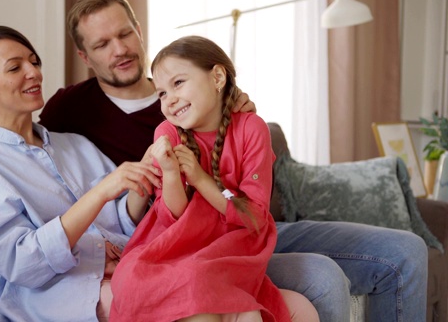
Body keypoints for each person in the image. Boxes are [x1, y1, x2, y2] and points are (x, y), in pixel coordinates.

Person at [39, 0, 429, 322]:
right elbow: (35, 164)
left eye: (125, 33)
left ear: (139, 31)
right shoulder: (69, 109)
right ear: (85, 57)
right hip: (177, 237)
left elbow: (250, 190)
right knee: (323, 277)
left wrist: (234, 110)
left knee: (406, 251)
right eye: (102, 44)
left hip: (248, 221)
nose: (120, 49)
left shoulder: (205, 91)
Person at [0, 25, 163, 321]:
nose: (34, 72)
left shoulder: (75, 145)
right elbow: (23, 262)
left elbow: (122, 219)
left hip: (128, 267)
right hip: (61, 297)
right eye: (15, 67)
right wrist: (99, 195)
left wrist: (144, 175)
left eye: (34, 62)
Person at [110, 35, 319, 322]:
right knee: (180, 289)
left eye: (178, 83)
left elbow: (254, 217)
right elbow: (172, 219)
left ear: (217, 76)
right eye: (161, 93)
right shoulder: (167, 134)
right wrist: (171, 174)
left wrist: (199, 178)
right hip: (173, 248)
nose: (169, 100)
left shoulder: (251, 129)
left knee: (231, 302)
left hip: (231, 248)